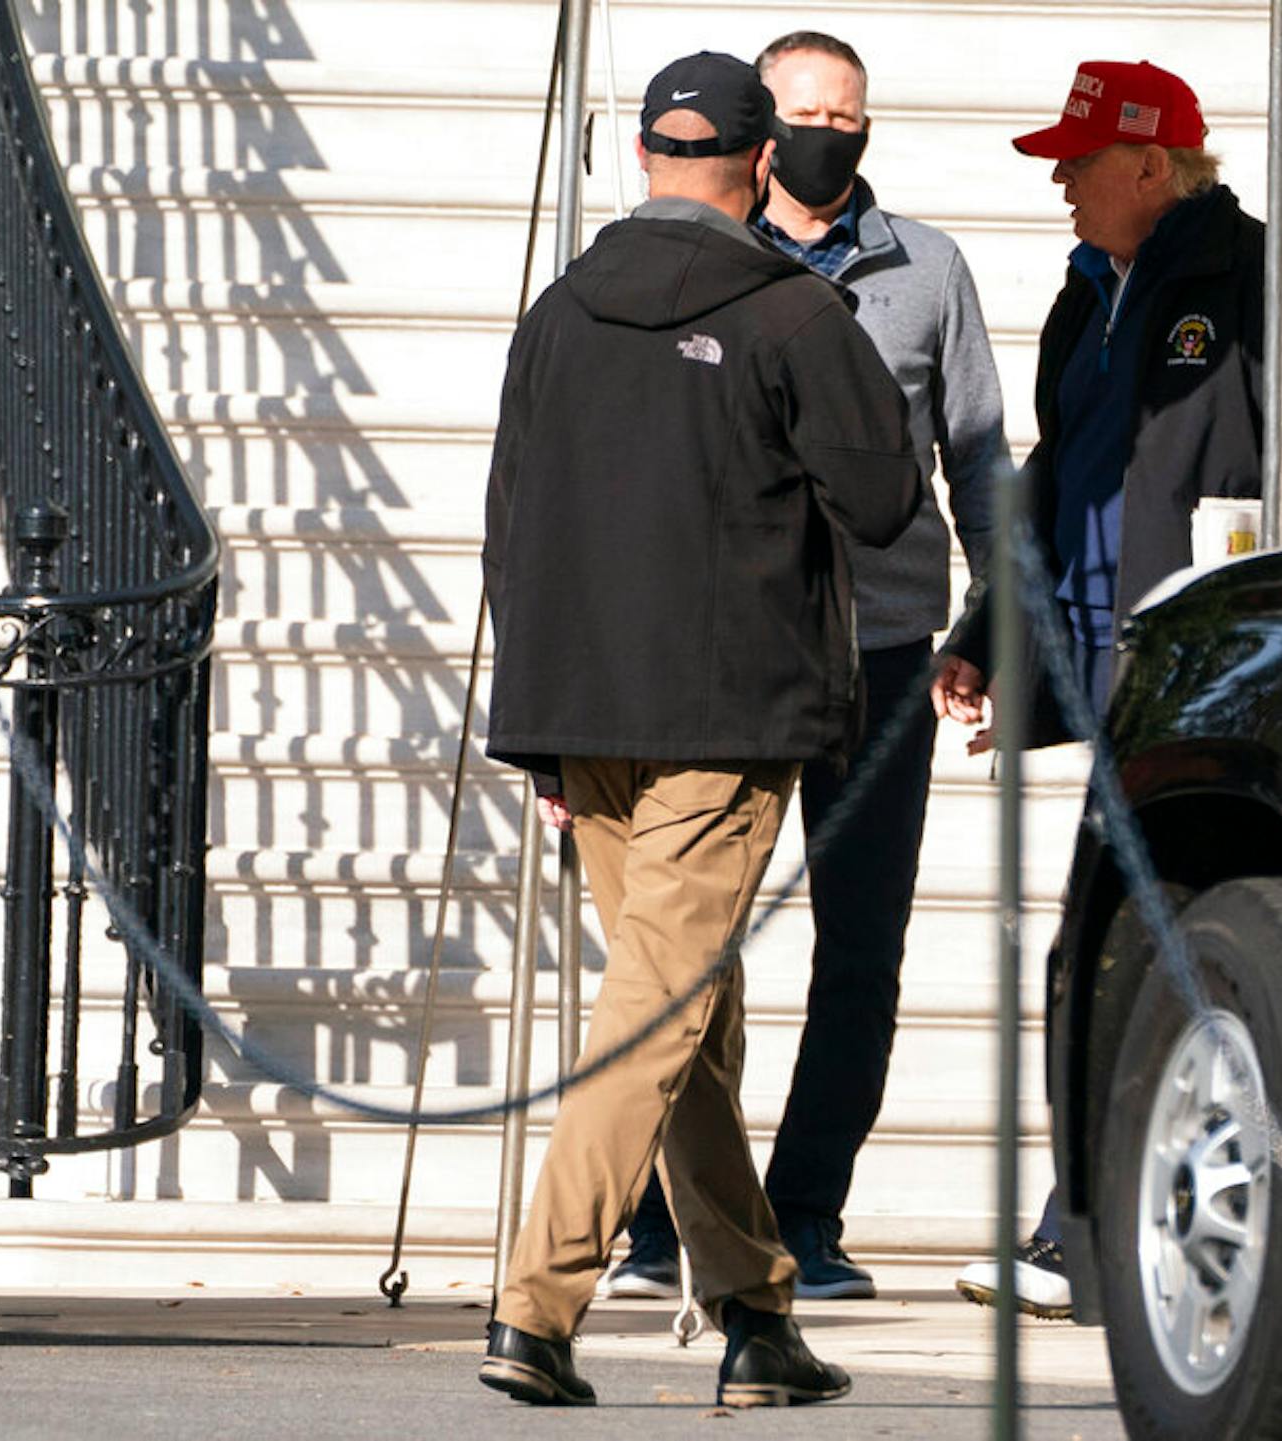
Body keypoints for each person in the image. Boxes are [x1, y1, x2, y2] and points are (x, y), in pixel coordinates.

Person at [476, 51, 920, 1407]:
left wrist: (538, 727)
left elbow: (512, 519)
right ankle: (535, 1307)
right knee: (660, 1009)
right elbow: (889, 498)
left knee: (688, 1020)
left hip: (585, 708)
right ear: (763, 161)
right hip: (723, 717)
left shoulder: (556, 310)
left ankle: (754, 1316)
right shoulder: (793, 312)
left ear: (642, 156)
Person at [931, 59, 1282, 1316]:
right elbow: (1055, 484)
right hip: (1113, 673)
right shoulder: (1085, 300)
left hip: (1213, 676)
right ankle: (1090, 1231)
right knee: (1124, 952)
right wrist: (989, 633)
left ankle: (1092, 1236)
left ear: (1151, 167)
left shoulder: (1268, 289)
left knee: (1145, 952)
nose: (1060, 183)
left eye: (1077, 162)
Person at [601, 29, 1009, 1305]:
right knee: (690, 943)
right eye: (809, 112)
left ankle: (808, 1214)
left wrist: (996, 619)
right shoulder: (685, 258)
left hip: (881, 653)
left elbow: (981, 456)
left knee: (863, 945)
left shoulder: (927, 268)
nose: (835, 133)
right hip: (727, 652)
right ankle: (671, 1223)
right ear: (757, 134)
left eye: (854, 113)